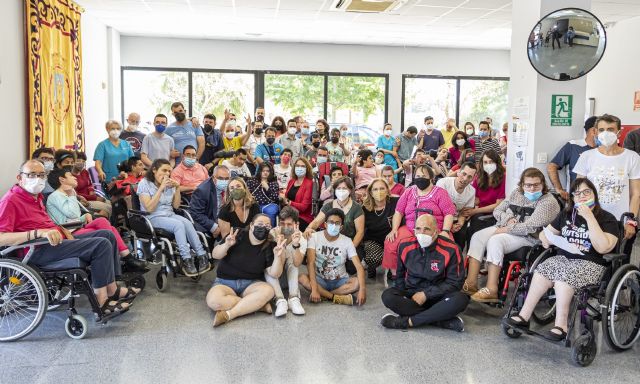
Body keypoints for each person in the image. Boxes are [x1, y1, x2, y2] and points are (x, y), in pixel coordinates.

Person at [0, 160, 139, 315]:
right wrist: (38, 233)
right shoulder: (11, 200)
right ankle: (101, 302)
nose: (37, 179)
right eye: (32, 175)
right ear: (19, 178)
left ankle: (112, 289)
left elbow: (42, 222)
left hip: (55, 241)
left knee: (107, 234)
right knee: (101, 245)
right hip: (36, 249)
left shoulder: (35, 196)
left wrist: (60, 229)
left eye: (41, 175)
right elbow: (2, 237)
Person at [504, 178, 619, 340]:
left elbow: (603, 247)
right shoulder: (566, 214)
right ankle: (524, 316)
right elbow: (545, 234)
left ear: (594, 194)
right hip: (564, 259)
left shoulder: (607, 218)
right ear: (572, 198)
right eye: (577, 193)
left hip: (591, 264)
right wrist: (548, 239)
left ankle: (561, 325)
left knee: (563, 277)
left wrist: (589, 218)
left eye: (587, 192)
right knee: (542, 270)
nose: (582, 196)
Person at [464, 167, 560, 302]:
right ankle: (471, 282)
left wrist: (508, 229)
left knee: (495, 241)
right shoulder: (516, 193)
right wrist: (508, 219)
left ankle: (491, 289)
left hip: (530, 237)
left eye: (536, 185)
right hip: (506, 227)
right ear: (522, 185)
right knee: (477, 236)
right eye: (528, 185)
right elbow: (497, 210)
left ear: (543, 184)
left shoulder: (548, 202)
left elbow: (530, 227)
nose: (532, 188)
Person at [45, 167, 146, 270]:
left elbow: (72, 217)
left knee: (103, 222)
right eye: (70, 175)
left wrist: (85, 215)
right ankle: (126, 258)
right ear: (62, 180)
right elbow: (72, 214)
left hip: (76, 227)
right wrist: (72, 195)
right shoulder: (55, 196)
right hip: (69, 232)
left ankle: (125, 258)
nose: (74, 177)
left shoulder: (66, 193)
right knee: (109, 231)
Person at [380, 214, 468, 331]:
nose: (422, 233)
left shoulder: (451, 249)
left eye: (427, 229)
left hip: (439, 297)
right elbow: (399, 277)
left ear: (436, 232)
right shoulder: (404, 245)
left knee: (460, 299)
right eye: (418, 229)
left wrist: (426, 294)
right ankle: (440, 321)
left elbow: (455, 283)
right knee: (387, 296)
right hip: (413, 297)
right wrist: (403, 297)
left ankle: (408, 321)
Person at [574, 114, 640, 256]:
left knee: (618, 260)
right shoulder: (587, 157)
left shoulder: (632, 157)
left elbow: (636, 194)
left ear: (619, 132)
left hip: (619, 220)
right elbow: (578, 190)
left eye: (610, 129)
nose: (606, 133)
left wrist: (631, 221)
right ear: (596, 132)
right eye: (602, 129)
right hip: (592, 217)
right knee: (590, 258)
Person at [206, 215, 287, 327]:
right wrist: (226, 245)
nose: (263, 227)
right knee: (214, 301)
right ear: (251, 225)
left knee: (268, 291)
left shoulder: (270, 245)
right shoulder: (237, 233)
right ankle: (255, 305)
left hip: (251, 283)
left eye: (267, 226)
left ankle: (229, 315)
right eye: (260, 224)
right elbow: (215, 255)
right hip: (224, 282)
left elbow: (275, 273)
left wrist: (278, 256)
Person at [136, 159, 209, 276]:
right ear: (154, 170)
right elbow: (149, 208)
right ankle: (186, 259)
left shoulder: (170, 184)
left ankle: (202, 255)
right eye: (164, 170)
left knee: (187, 223)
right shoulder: (144, 183)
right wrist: (161, 188)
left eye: (169, 171)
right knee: (178, 225)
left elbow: (175, 206)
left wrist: (177, 188)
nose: (167, 174)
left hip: (170, 215)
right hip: (152, 217)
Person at [383, 165, 456, 277]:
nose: (420, 178)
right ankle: (396, 274)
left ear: (431, 178)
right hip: (410, 228)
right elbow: (398, 211)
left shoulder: (440, 193)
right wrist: (394, 229)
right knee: (391, 242)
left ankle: (441, 275)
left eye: (424, 176)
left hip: (434, 230)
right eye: (418, 176)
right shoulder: (408, 192)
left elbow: (448, 213)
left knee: (447, 245)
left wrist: (445, 231)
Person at [299, 208, 366, 306]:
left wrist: (362, 290)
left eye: (337, 223)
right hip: (319, 279)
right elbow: (310, 263)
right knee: (302, 278)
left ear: (341, 227)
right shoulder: (314, 237)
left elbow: (359, 267)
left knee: (357, 283)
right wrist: (314, 288)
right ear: (325, 224)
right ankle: (335, 298)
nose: (334, 225)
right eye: (331, 222)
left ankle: (324, 295)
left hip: (340, 280)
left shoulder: (347, 241)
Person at [304, 176, 365, 272]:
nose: (341, 191)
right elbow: (316, 221)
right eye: (338, 188)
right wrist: (309, 228)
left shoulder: (356, 208)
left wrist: (349, 249)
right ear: (335, 190)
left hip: (350, 243)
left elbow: (360, 232)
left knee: (351, 268)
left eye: (344, 188)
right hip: (330, 242)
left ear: (350, 190)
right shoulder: (329, 205)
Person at [265, 207, 307, 317]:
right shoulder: (272, 233)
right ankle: (280, 300)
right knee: (270, 261)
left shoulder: (301, 237)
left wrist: (295, 245)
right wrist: (276, 242)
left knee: (291, 254)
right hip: (272, 278)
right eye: (282, 223)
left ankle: (293, 298)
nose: (285, 227)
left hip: (289, 279)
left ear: (296, 224)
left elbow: (297, 263)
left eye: (289, 224)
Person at [461, 149, 506, 247]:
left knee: (476, 220)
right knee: (461, 222)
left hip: (494, 214)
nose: (488, 165)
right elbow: (474, 199)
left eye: (491, 162)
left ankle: (474, 253)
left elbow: (498, 205)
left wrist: (474, 211)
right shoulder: (479, 177)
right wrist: (468, 210)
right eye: (485, 162)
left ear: (497, 163)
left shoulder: (503, 178)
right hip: (479, 211)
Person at [548, 116, 598, 200]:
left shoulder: (605, 149)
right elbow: (552, 166)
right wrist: (559, 190)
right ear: (593, 130)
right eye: (602, 130)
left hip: (599, 198)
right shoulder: (573, 145)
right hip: (576, 198)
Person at [362, 178, 398, 278]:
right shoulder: (365, 207)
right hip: (373, 240)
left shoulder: (396, 202)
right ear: (370, 192)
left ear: (387, 190)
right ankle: (371, 266)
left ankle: (392, 268)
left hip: (391, 239)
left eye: (382, 188)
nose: (379, 192)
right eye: (375, 189)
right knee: (373, 258)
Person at [436, 162, 476, 250]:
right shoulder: (443, 183)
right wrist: (449, 226)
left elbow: (465, 212)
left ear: (472, 179)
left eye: (469, 177)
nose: (465, 179)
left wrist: (460, 224)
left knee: (461, 236)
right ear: (458, 172)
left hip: (456, 219)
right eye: (464, 174)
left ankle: (458, 259)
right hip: (440, 218)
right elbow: (437, 209)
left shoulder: (472, 191)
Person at [189, 165, 229, 236]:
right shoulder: (202, 190)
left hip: (224, 218)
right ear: (213, 178)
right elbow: (196, 213)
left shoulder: (231, 186)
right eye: (220, 178)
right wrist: (213, 227)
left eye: (226, 178)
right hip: (210, 220)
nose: (224, 181)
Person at [72, 151, 113, 215]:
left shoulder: (84, 172)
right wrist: (94, 198)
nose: (81, 163)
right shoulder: (70, 176)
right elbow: (75, 194)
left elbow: (89, 184)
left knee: (110, 202)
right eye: (79, 160)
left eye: (83, 161)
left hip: (92, 196)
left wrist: (91, 190)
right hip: (84, 201)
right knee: (108, 207)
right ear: (73, 162)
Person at [283, 158, 314, 231]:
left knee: (287, 228)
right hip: (288, 213)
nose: (300, 168)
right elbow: (286, 197)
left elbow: (304, 207)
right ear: (294, 168)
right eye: (298, 166)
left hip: (303, 217)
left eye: (303, 166)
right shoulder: (291, 181)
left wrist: (289, 202)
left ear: (307, 169)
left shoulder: (309, 183)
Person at [246, 162, 280, 227]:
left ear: (271, 172)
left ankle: (270, 231)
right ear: (259, 171)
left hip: (269, 204)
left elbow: (275, 198)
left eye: (267, 171)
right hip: (254, 203)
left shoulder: (274, 183)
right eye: (263, 170)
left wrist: (267, 188)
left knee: (271, 211)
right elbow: (246, 191)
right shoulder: (252, 180)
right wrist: (249, 197)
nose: (265, 172)